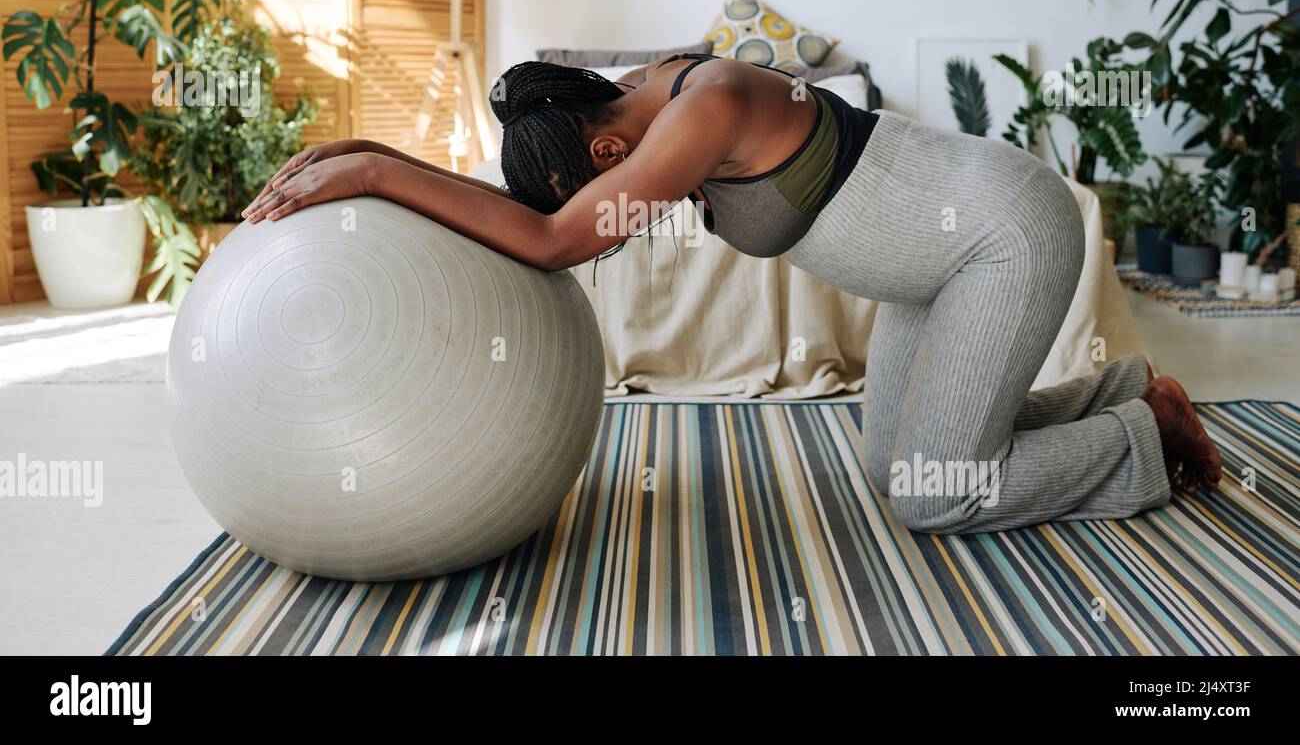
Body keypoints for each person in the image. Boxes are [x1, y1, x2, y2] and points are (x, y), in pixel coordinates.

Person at [243, 53, 1221, 533]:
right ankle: (1130, 393)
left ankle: (1143, 441)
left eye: (600, 181)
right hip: (933, 272)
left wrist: (375, 181)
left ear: (607, 149)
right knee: (896, 468)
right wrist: (369, 149)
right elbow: (526, 208)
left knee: (936, 496)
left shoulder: (699, 107)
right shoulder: (634, 99)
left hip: (1004, 236)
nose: (614, 202)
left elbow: (550, 239)